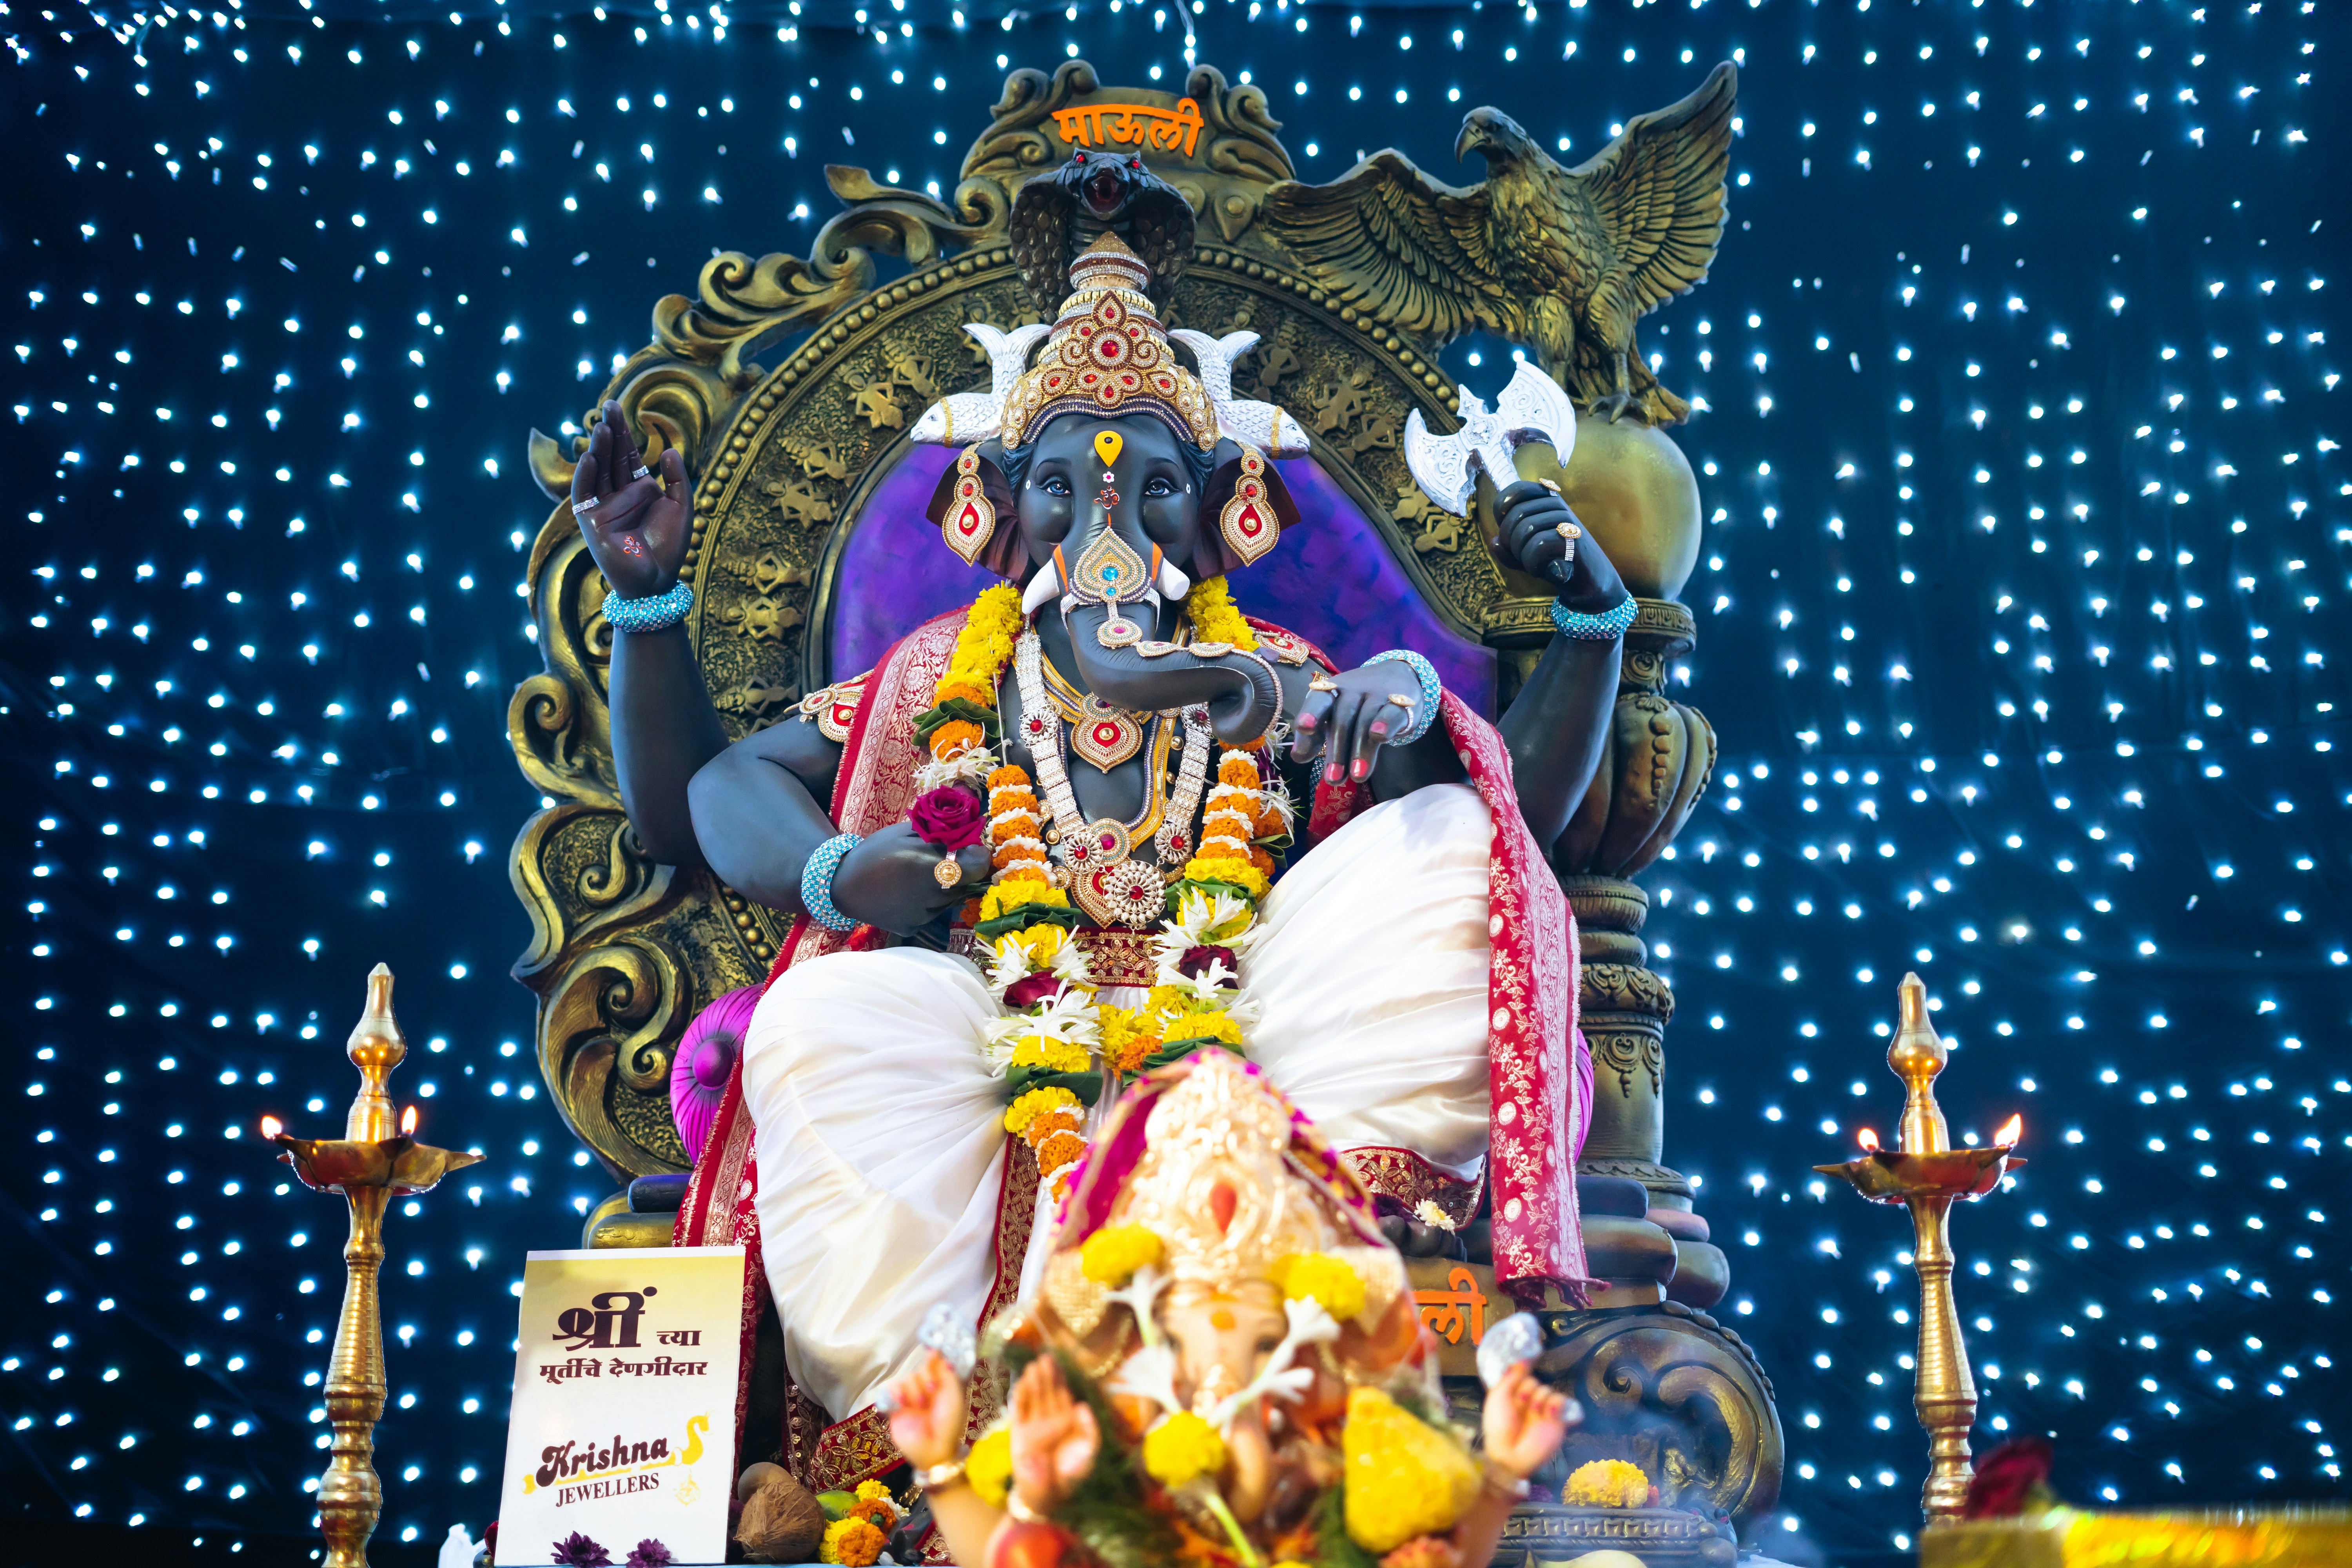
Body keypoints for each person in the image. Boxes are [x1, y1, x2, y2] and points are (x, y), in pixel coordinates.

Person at [566, 233, 1631, 1486]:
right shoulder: (935, 677)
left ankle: (1248, 1381)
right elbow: (716, 791)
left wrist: (1556, 639)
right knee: (814, 1022)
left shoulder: (1272, 671)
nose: (1109, 522)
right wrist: (836, 873)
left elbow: (1512, 838)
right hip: (980, 1056)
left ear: (1224, 511)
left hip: (1253, 1037)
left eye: (1151, 490)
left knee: (1454, 838)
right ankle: (955, 1454)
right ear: (1002, 515)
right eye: (1064, 490)